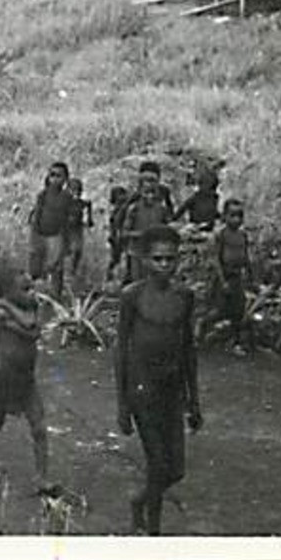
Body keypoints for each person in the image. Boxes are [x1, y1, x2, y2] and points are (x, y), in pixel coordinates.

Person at [115, 225, 202, 536]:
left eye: (170, 259)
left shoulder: (185, 297)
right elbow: (120, 350)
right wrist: (122, 404)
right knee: (157, 464)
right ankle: (153, 530)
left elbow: (188, 348)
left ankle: (140, 501)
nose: (164, 265)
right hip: (141, 389)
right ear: (144, 260)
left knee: (175, 469)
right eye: (158, 259)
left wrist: (194, 400)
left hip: (172, 390)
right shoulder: (132, 296)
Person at [0, 270, 55, 491]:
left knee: (39, 427)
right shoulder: (1, 311)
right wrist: (4, 305)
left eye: (31, 288)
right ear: (10, 292)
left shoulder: (18, 307)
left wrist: (7, 304)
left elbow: (33, 329)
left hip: (26, 378)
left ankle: (41, 477)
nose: (32, 293)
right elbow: (30, 326)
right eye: (25, 289)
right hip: (5, 376)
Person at [208, 199, 252, 352]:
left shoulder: (242, 235)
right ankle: (201, 327)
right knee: (218, 310)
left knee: (238, 310)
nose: (236, 220)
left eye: (240, 216)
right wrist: (222, 281)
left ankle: (234, 342)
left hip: (236, 277)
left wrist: (250, 274)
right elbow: (216, 259)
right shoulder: (221, 234)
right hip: (223, 276)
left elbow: (245, 256)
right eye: (232, 215)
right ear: (225, 216)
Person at [119, 162, 175, 282]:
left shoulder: (162, 209)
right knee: (137, 282)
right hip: (136, 251)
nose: (150, 196)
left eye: (152, 192)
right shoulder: (134, 208)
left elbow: (169, 225)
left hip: (155, 252)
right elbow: (124, 231)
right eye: (146, 192)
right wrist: (142, 234)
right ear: (140, 190)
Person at [27, 162, 74, 298]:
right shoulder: (43, 195)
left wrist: (66, 242)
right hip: (40, 234)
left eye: (58, 176)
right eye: (52, 175)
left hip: (57, 235)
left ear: (65, 179)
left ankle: (56, 296)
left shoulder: (67, 197)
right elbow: (37, 215)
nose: (54, 179)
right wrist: (34, 234)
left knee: (56, 267)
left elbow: (67, 220)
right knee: (37, 267)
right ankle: (37, 297)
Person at [63, 176, 93, 291]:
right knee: (66, 253)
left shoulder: (81, 203)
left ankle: (73, 274)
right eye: (73, 190)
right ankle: (66, 277)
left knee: (77, 252)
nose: (76, 193)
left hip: (77, 230)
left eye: (78, 190)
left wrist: (89, 212)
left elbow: (89, 222)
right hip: (66, 230)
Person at [174, 166, 222, 231]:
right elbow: (181, 210)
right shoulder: (194, 198)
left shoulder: (215, 198)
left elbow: (217, 213)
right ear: (200, 185)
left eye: (213, 189)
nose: (212, 191)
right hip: (194, 226)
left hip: (209, 227)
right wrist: (173, 219)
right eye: (210, 189)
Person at [105, 185, 131, 281]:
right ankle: (110, 279)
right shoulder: (116, 210)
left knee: (123, 259)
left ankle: (122, 278)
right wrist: (112, 235)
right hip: (117, 237)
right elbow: (114, 224)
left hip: (124, 236)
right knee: (115, 259)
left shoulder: (126, 208)